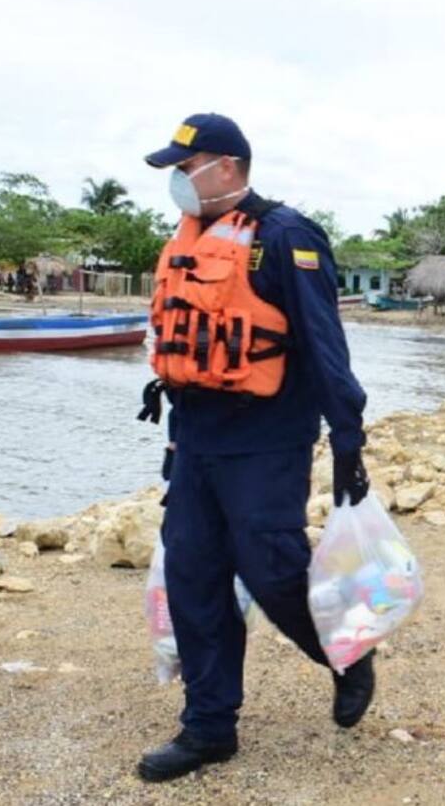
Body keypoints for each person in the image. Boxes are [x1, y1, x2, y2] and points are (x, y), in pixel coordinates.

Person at [135, 113, 372, 782]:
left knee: (271, 570)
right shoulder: (192, 236)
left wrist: (348, 438)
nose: (180, 183)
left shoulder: (285, 236)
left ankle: (346, 657)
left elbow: (325, 344)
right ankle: (208, 728)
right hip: (198, 434)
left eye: (187, 169)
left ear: (229, 167)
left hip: (268, 436)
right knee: (194, 578)